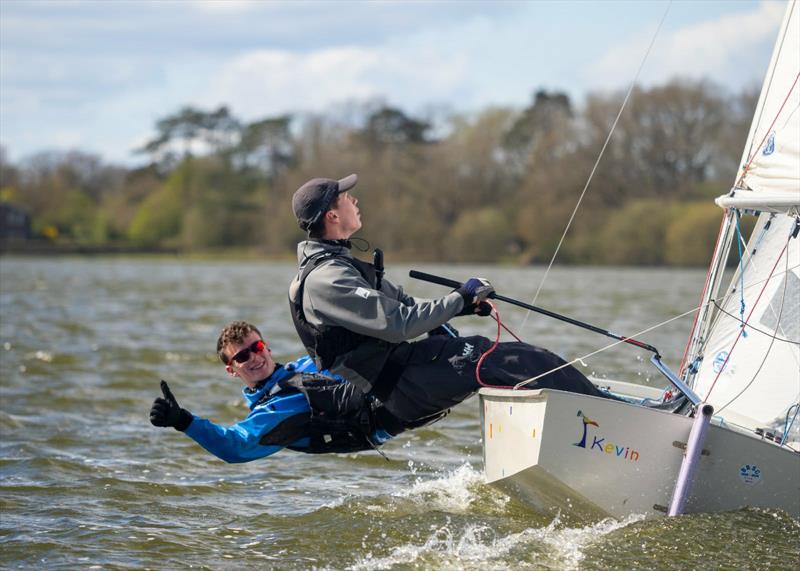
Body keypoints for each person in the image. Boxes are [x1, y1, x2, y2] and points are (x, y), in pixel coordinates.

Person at [288, 174, 612, 427]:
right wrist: (458, 299)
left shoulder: (339, 265)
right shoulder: (326, 280)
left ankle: (590, 413)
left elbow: (407, 306)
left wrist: (462, 307)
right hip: (401, 385)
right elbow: (399, 323)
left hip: (408, 368)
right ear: (332, 215)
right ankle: (609, 418)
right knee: (523, 363)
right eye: (346, 197)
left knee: (521, 360)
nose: (354, 199)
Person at [149, 320, 441, 462]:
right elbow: (234, 447)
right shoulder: (270, 413)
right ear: (232, 370)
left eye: (257, 347)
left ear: (267, 347)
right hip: (397, 408)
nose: (254, 358)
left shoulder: (305, 364)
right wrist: (184, 421)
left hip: (404, 376)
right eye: (242, 357)